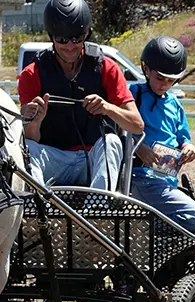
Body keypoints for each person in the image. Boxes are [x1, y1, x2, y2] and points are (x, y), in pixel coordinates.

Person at [18, 0, 144, 192]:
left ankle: (99, 209)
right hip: (55, 159)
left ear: (86, 35)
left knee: (112, 141)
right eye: (62, 39)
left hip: (94, 160)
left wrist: (107, 107)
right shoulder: (31, 74)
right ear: (52, 37)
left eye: (76, 38)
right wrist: (34, 121)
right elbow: (31, 138)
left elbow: (137, 125)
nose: (70, 46)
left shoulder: (107, 68)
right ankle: (41, 210)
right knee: (28, 148)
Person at [129, 36, 195, 233]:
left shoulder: (175, 104)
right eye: (160, 78)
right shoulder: (134, 94)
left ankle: (146, 229)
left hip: (167, 181)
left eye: (171, 80)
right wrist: (138, 148)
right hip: (141, 178)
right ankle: (147, 230)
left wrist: (189, 148)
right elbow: (115, 129)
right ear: (146, 69)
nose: (164, 84)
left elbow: (184, 139)